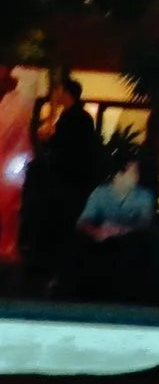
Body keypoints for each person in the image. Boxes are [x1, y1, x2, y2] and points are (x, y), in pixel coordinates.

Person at [21, 76, 104, 275]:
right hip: (73, 182)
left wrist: (48, 141)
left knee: (60, 224)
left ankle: (52, 267)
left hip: (68, 182)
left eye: (58, 91)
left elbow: (66, 149)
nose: (55, 95)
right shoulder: (78, 117)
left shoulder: (73, 118)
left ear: (67, 93)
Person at [65, 157, 157, 299]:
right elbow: (83, 222)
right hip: (102, 244)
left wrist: (122, 230)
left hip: (129, 245)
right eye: (133, 173)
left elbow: (145, 223)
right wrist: (97, 232)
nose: (137, 177)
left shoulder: (144, 196)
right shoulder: (101, 193)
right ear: (119, 175)